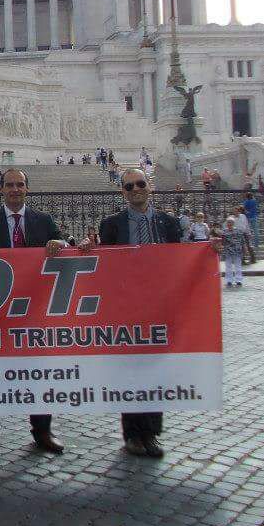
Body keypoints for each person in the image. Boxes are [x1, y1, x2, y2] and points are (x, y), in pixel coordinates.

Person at [87, 167, 210, 458]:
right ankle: (132, 434)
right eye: (129, 186)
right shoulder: (112, 224)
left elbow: (184, 258)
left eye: (140, 184)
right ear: (123, 192)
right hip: (127, 307)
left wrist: (209, 250)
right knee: (130, 370)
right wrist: (88, 249)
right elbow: (103, 262)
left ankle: (151, 433)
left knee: (157, 370)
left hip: (161, 306)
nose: (136, 190)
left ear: (149, 186)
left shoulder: (169, 223)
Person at [0, 169, 68, 454]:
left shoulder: (43, 220)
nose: (15, 189)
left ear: (27, 188)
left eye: (20, 184)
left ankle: (42, 430)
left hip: (34, 304)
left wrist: (59, 244)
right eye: (10, 185)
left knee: (38, 367)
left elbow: (62, 242)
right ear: (1, 189)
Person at [221, 216, 246, 288]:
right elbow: (222, 242)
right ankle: (229, 280)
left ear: (233, 223)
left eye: (231, 222)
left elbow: (242, 240)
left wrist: (244, 248)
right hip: (228, 251)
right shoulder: (224, 232)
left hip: (237, 250)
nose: (229, 224)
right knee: (228, 266)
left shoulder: (238, 231)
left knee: (238, 266)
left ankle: (239, 280)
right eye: (228, 222)